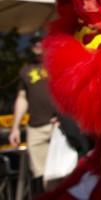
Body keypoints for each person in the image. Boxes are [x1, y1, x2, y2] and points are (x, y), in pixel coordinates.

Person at [9, 37, 58, 194]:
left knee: (63, 172)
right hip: (35, 127)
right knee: (40, 175)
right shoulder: (26, 70)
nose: (37, 44)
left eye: (40, 40)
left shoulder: (58, 63)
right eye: (33, 41)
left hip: (59, 126)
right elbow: (22, 98)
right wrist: (15, 127)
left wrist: (66, 118)